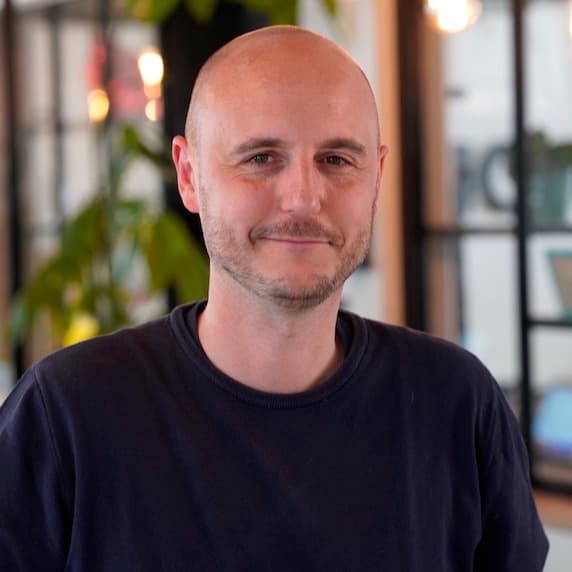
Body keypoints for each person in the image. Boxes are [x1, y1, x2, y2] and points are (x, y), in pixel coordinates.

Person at [0, 26, 548, 571]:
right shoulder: (67, 416)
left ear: (377, 178)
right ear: (189, 175)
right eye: (262, 158)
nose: (304, 198)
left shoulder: (456, 403)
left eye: (337, 159)